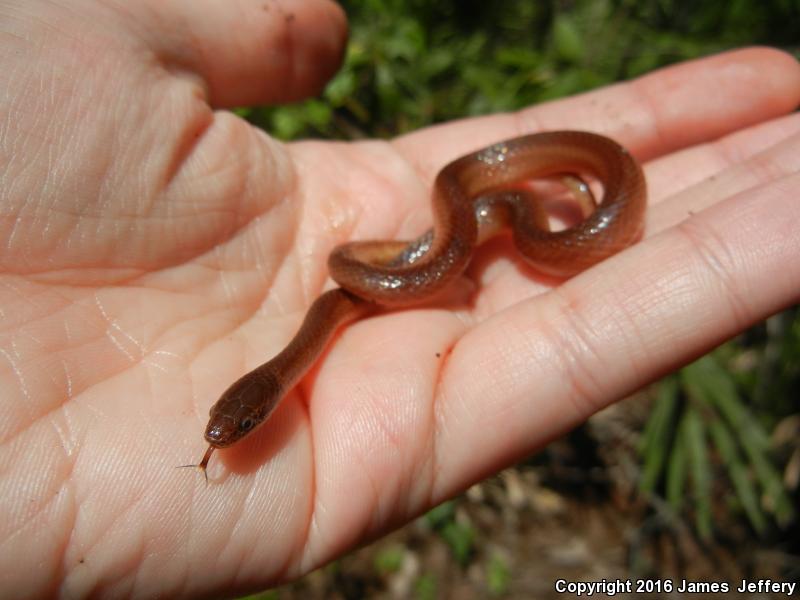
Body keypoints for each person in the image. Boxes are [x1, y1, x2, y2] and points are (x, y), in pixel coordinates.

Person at [1, 1, 798, 597]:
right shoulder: (324, 318)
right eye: (240, 424)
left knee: (479, 218)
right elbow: (382, 272)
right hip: (431, 242)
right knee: (409, 254)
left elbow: (419, 253)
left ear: (265, 399)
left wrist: (473, 236)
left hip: (472, 217)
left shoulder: (451, 217)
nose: (233, 432)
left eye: (239, 421)